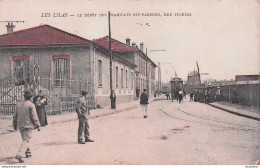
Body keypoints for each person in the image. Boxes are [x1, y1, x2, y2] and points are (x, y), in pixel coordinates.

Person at [13, 90, 41, 163]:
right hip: (28, 125)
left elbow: (15, 116)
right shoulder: (31, 105)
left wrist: (15, 125)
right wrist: (38, 125)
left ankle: (28, 153)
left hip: (20, 125)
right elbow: (34, 116)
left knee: (24, 139)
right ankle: (19, 154)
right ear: (31, 97)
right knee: (26, 140)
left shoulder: (18, 104)